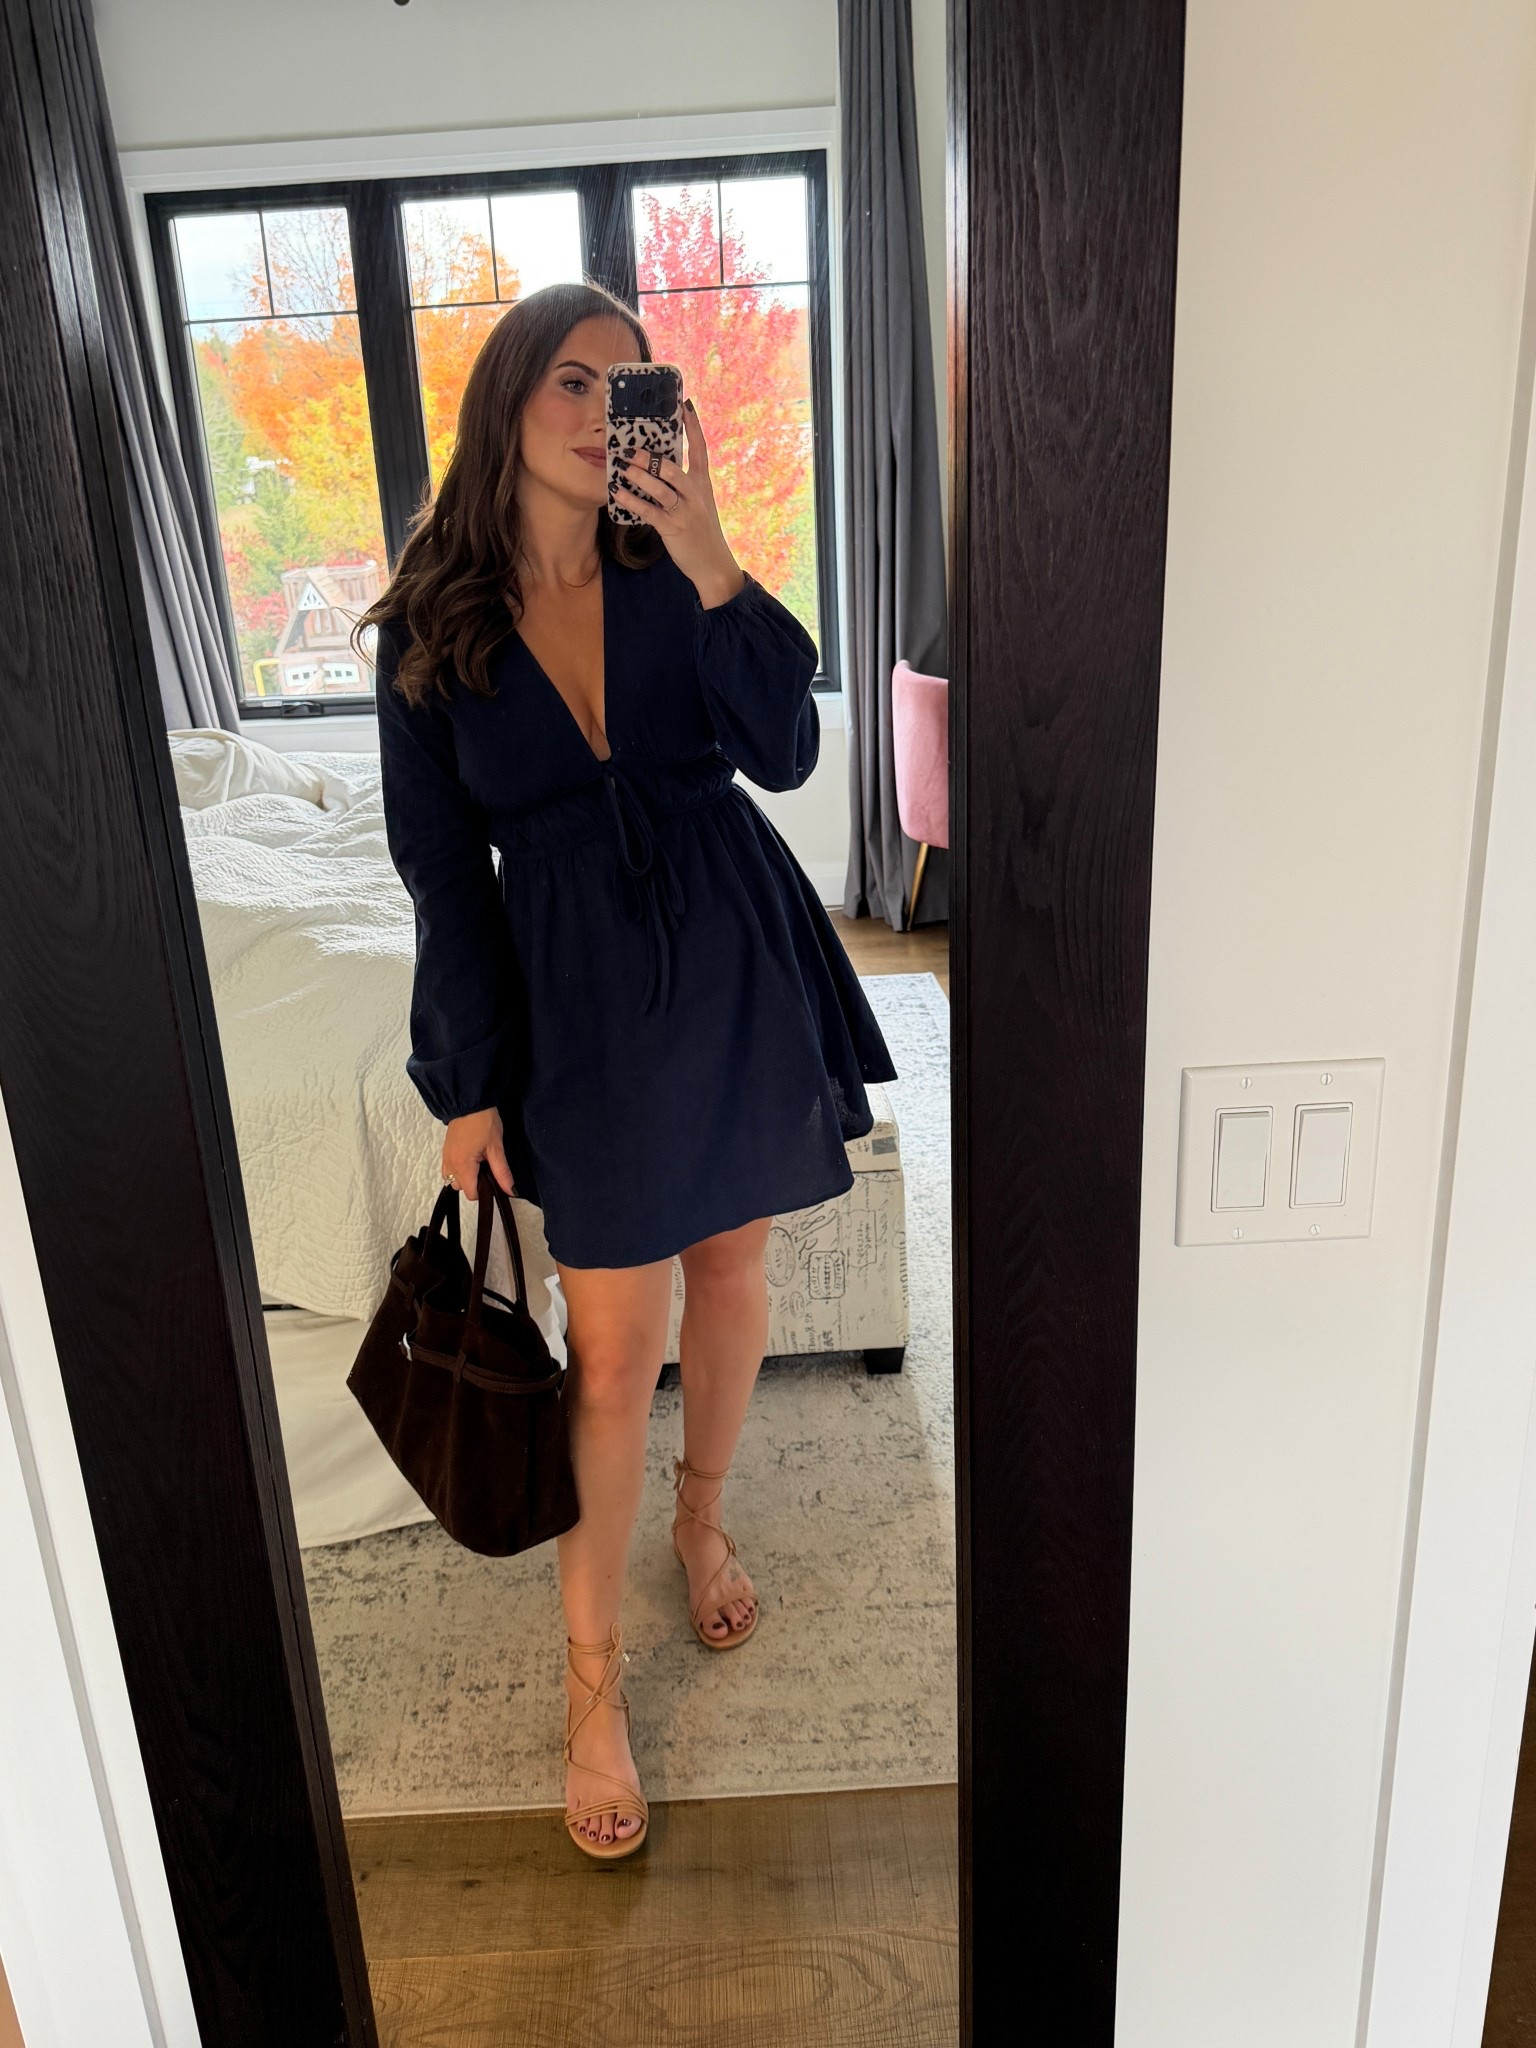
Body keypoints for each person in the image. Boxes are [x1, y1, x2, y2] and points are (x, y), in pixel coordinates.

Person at [359, 280, 897, 1861]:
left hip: (731, 953)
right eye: (574, 385)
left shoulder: (678, 565)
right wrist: (466, 1081)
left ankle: (700, 1518)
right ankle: (589, 1682)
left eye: (631, 386)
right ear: (507, 401)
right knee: (607, 1350)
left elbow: (786, 752)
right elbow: (442, 873)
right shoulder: (430, 624)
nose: (607, 416)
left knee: (733, 1268)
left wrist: (714, 544)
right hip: (577, 999)